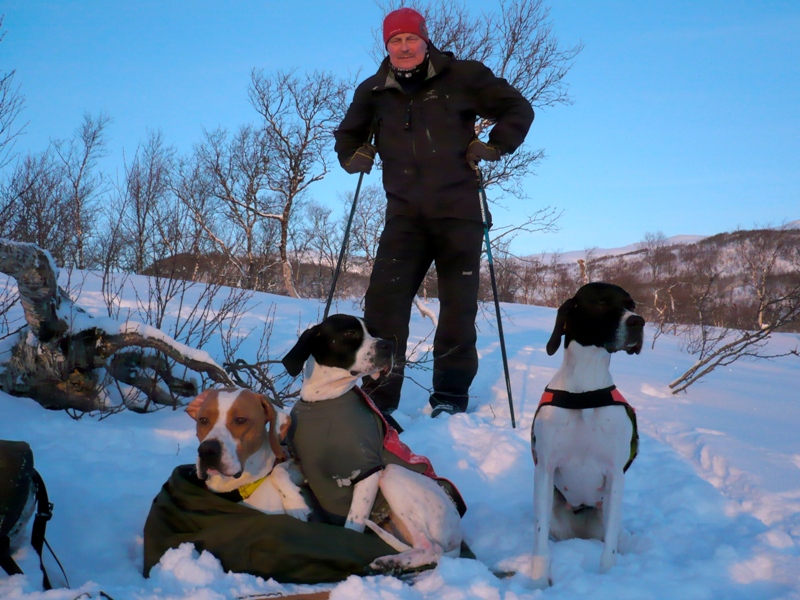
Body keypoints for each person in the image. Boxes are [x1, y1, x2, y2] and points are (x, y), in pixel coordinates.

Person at [334, 7, 534, 419]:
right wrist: (351, 155)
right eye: (395, 41)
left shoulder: (464, 76)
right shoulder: (373, 90)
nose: (404, 47)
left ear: (425, 41)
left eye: (411, 39)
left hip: (459, 212)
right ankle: (378, 402)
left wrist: (495, 144)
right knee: (384, 308)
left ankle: (449, 398)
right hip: (404, 217)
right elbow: (348, 134)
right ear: (386, 46)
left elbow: (518, 108)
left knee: (458, 312)